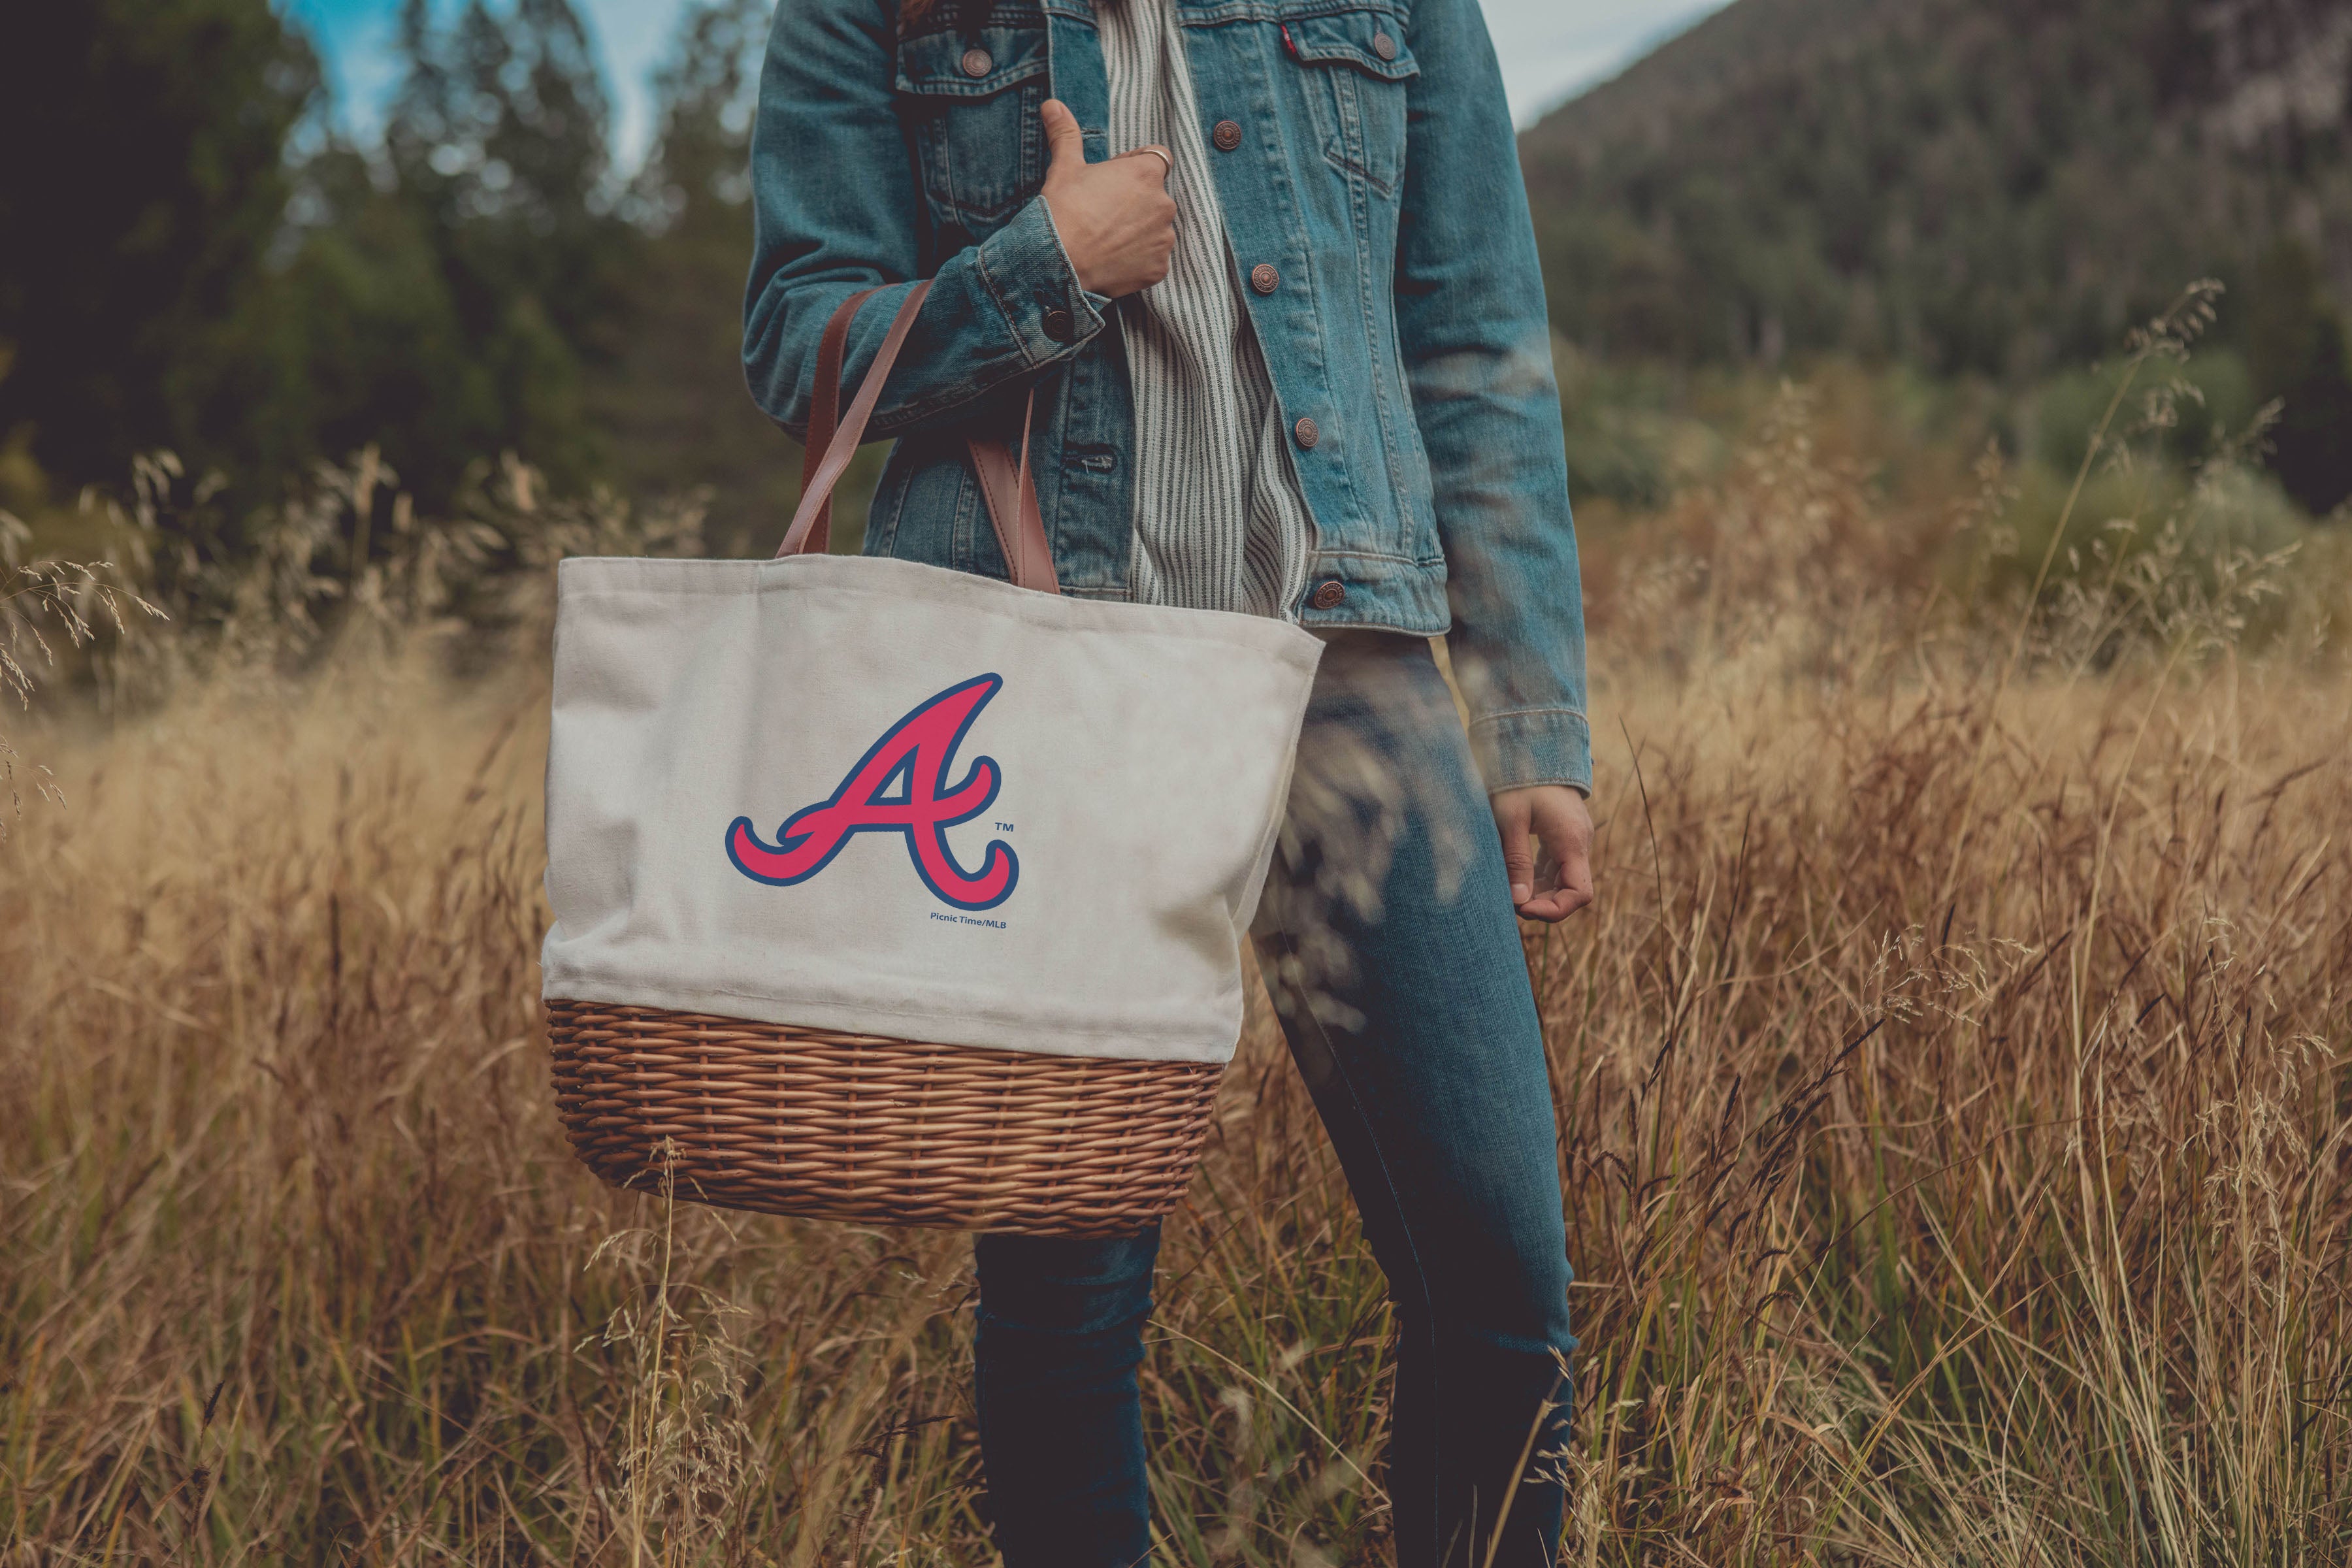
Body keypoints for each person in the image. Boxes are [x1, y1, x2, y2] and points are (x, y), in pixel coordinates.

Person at [745, 0, 1594, 1561]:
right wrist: (1039, 271)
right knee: (1070, 1302)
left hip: (1353, 677)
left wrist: (1533, 714)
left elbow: (1473, 339)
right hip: (1051, 688)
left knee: (1500, 1280)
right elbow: (798, 337)